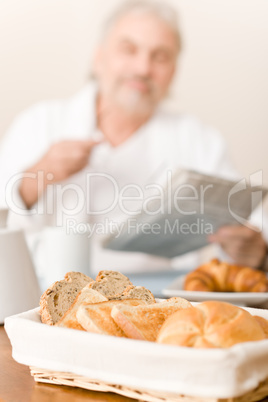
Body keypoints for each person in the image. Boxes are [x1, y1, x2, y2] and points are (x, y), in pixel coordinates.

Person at [0, 0, 267, 280]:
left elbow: (247, 221)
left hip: (160, 303)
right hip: (52, 295)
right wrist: (37, 176)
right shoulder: (40, 123)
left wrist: (254, 247)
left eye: (160, 56)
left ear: (173, 72)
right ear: (99, 58)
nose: (142, 68)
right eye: (129, 50)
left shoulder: (199, 140)